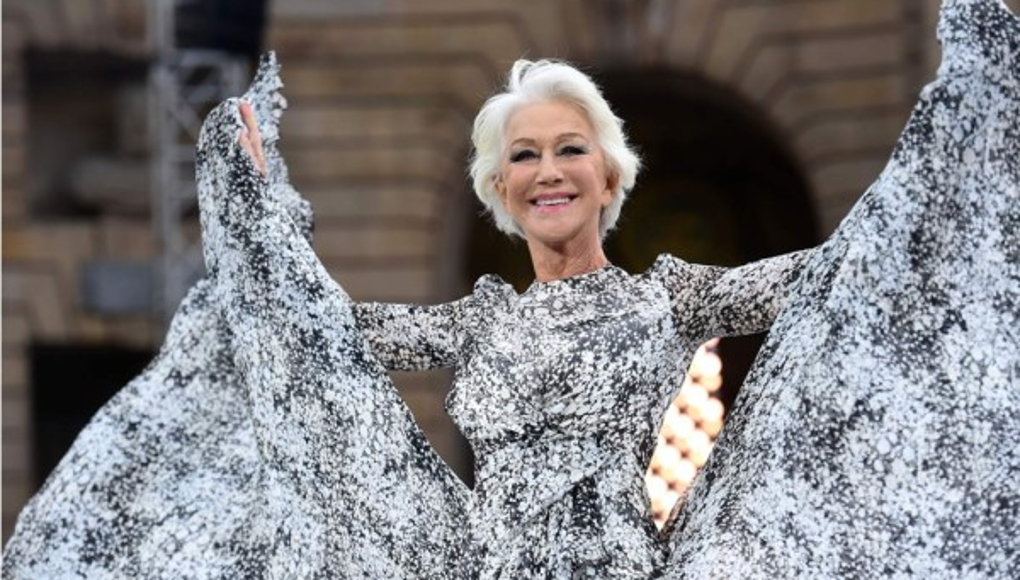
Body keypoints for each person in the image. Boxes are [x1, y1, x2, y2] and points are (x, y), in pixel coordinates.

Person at [4, 0, 1017, 578]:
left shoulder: (671, 297)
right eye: (524, 154)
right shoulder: (480, 322)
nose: (548, 169)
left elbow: (844, 273)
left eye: (570, 148)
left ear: (609, 176)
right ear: (500, 188)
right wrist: (259, 205)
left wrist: (952, 156)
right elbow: (318, 338)